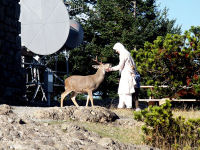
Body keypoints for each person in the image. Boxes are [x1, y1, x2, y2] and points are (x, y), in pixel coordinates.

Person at [107, 42, 136, 109]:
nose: (116, 51)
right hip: (127, 74)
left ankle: (128, 107)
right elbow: (133, 66)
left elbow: (120, 66)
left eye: (116, 49)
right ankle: (121, 106)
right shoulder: (128, 53)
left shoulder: (123, 54)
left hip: (126, 75)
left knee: (126, 92)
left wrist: (111, 69)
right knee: (123, 91)